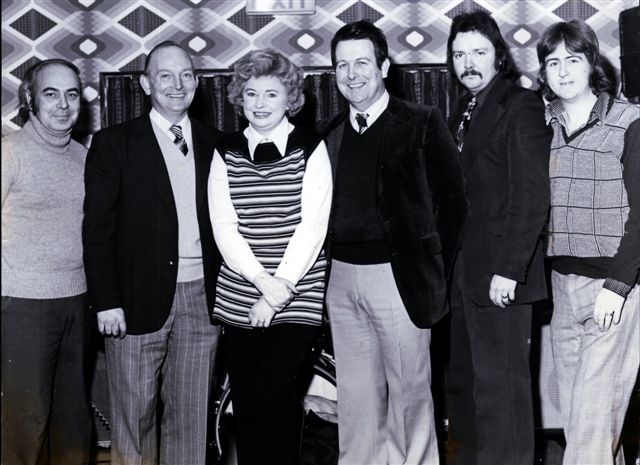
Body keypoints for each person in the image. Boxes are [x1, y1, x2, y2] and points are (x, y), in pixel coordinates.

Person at [316, 20, 466, 465]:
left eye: (362, 63)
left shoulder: (421, 121)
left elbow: (453, 206)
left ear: (383, 66)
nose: (352, 74)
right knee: (355, 397)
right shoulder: (327, 132)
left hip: (399, 280)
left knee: (409, 394)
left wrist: (432, 273)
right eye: (342, 66)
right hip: (340, 281)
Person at [82, 41, 222, 465]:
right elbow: (97, 228)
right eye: (165, 75)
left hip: (203, 300)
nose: (177, 85)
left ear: (196, 82)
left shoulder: (218, 144)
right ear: (146, 84)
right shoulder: (114, 143)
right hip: (133, 302)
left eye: (186, 75)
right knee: (134, 419)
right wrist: (106, 301)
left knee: (192, 417)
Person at [208, 48, 332, 465]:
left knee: (277, 395)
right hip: (242, 292)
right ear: (239, 98)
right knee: (246, 402)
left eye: (271, 94)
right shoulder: (225, 150)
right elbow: (224, 226)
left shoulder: (311, 145)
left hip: (297, 291)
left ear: (289, 98)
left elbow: (313, 226)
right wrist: (262, 284)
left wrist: (280, 290)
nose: (260, 104)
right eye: (251, 93)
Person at [445, 11, 552, 465]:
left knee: (503, 394)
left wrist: (509, 270)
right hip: (464, 277)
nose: (468, 63)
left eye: (478, 52)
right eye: (459, 55)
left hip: (501, 276)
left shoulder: (520, 104)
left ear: (498, 56)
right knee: (468, 390)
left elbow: (531, 196)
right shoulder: (461, 111)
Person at [537, 20, 639, 465]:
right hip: (562, 285)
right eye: (552, 62)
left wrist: (618, 285)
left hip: (614, 288)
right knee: (582, 422)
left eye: (573, 60)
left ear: (591, 63)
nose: (563, 71)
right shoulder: (541, 125)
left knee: (593, 424)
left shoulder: (628, 122)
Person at [1, 59, 91, 465]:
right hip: (21, 304)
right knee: (24, 424)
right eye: (51, 94)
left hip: (77, 299)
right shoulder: (10, 153)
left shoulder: (83, 157)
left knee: (72, 423)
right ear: (29, 98)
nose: (63, 105)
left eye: (71, 94)